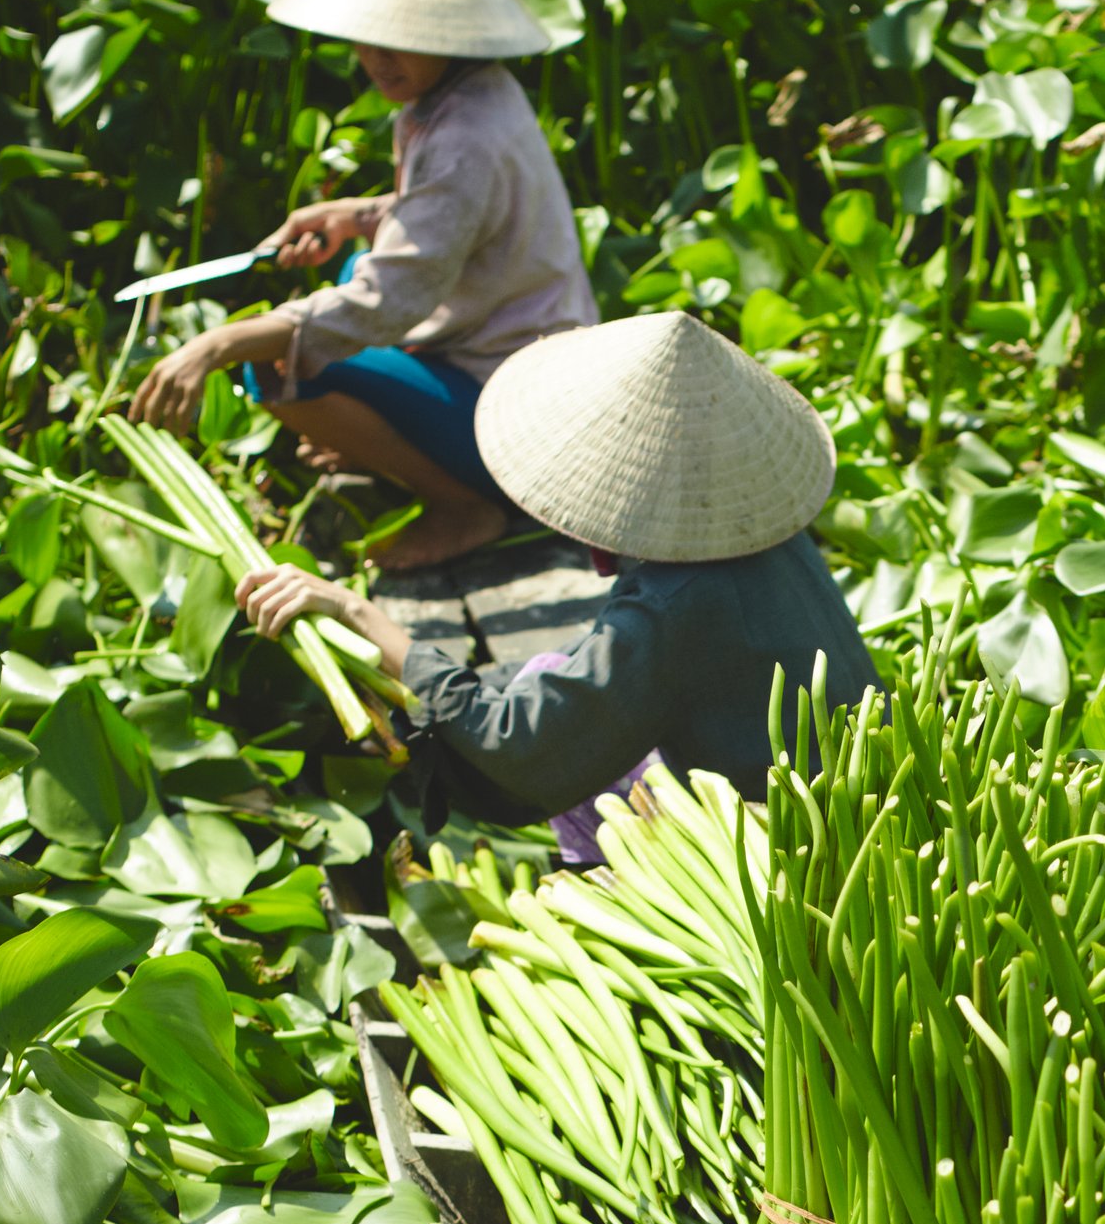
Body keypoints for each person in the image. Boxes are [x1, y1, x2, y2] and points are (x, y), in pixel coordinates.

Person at [234, 313, 883, 848]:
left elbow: (522, 744)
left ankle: (608, 884)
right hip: (851, 774)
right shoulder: (751, 518)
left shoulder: (672, 604)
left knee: (566, 746)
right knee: (546, 665)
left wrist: (360, 615)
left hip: (793, 831)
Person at [130, 0, 598, 570]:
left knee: (274, 362)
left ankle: (464, 506)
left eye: (395, 40)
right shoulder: (476, 93)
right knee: (351, 269)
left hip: (520, 408)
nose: (373, 59)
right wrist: (358, 216)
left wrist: (217, 343)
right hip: (513, 362)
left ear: (447, 33)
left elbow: (392, 298)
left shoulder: (464, 135)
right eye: (365, 38)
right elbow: (455, 216)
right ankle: (387, 444)